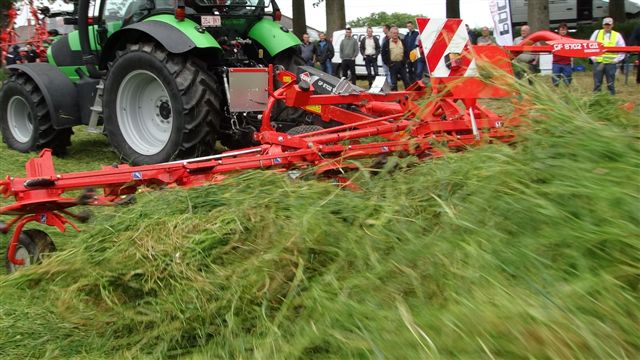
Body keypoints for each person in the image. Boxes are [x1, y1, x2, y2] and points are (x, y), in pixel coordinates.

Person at [590, 17, 626, 95]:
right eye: (606, 24)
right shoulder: (596, 33)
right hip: (598, 62)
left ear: (612, 25)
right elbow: (590, 45)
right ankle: (596, 100)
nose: (607, 26)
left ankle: (611, 99)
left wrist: (616, 60)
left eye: (609, 25)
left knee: (610, 84)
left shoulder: (617, 35)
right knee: (597, 83)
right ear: (603, 25)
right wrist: (593, 58)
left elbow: (623, 49)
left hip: (611, 63)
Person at [381, 26, 410, 91]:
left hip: (402, 65)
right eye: (394, 33)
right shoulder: (386, 43)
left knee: (406, 81)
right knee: (393, 83)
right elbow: (383, 55)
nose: (395, 34)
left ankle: (409, 95)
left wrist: (405, 61)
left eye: (397, 33)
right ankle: (395, 96)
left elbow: (406, 52)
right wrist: (389, 64)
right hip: (392, 65)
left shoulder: (402, 42)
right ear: (390, 34)